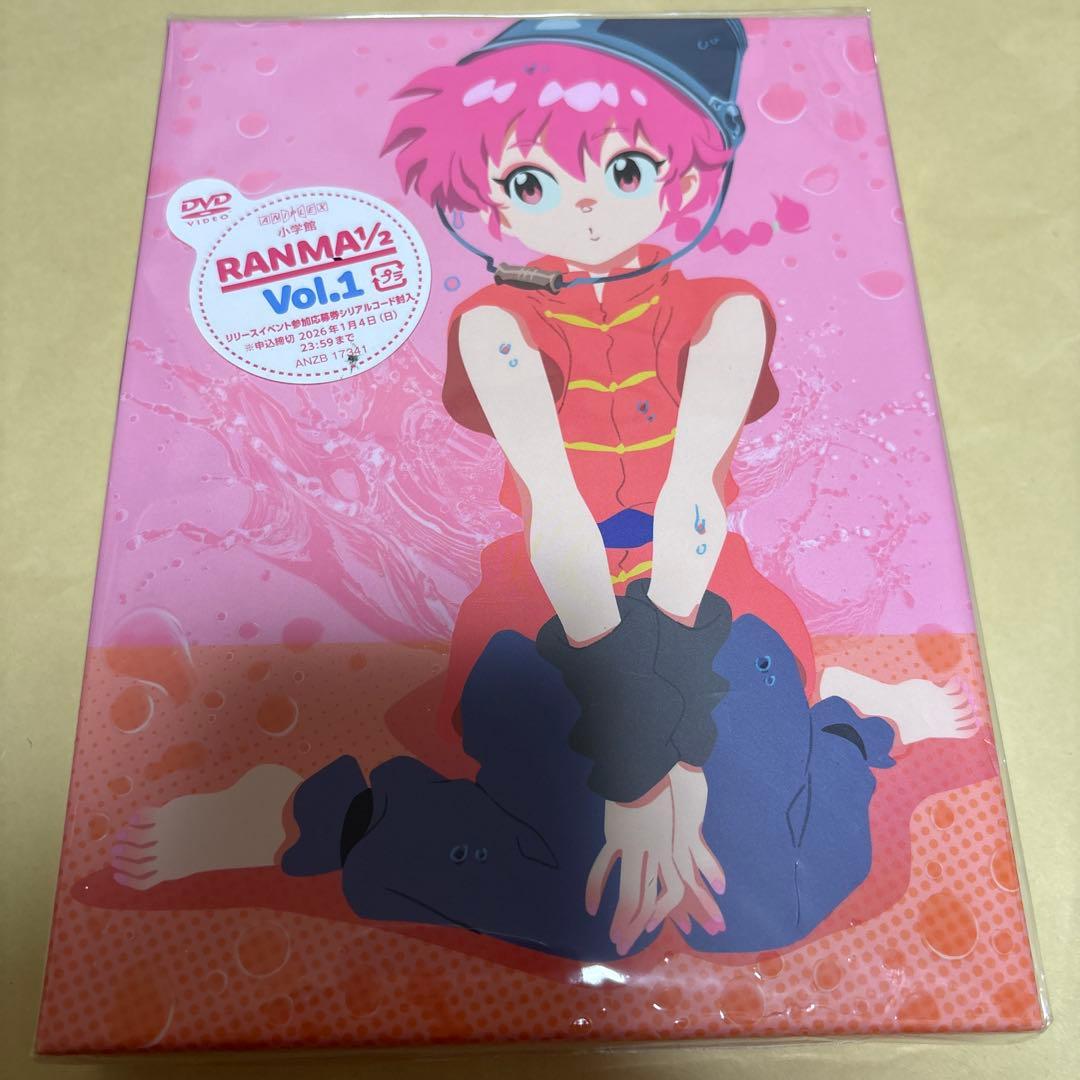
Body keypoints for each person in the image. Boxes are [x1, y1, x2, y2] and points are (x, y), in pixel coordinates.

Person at [110, 19, 978, 959]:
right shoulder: (495, 325)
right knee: (593, 918)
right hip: (547, 612)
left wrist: (672, 752)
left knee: (769, 902)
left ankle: (851, 728)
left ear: (680, 177)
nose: (587, 206)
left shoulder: (726, 313)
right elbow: (555, 511)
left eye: (627, 170)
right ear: (489, 199)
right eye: (533, 183)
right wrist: (637, 771)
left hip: (709, 602)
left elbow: (692, 501)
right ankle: (315, 813)